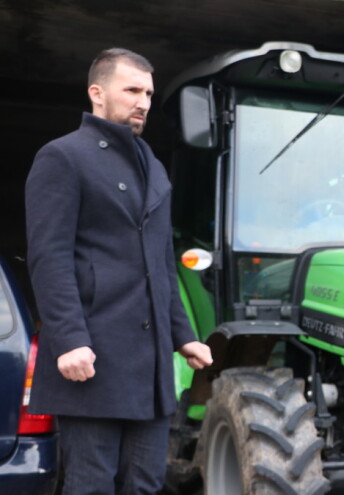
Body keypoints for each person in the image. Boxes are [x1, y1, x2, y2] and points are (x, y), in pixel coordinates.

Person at [25, 48, 213, 494]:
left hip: (150, 367)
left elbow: (160, 263)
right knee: (92, 486)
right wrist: (69, 340)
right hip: (91, 358)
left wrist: (182, 335)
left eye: (148, 93)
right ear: (97, 93)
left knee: (145, 485)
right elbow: (50, 257)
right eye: (131, 90)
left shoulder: (154, 165)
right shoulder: (62, 157)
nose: (143, 102)